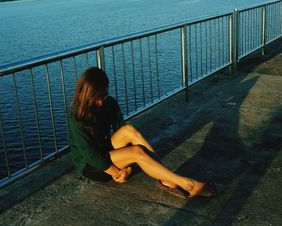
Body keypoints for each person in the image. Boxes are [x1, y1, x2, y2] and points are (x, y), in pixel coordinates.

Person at [68, 67, 217, 198]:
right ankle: (188, 184)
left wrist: (129, 168)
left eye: (104, 94)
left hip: (105, 150)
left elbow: (121, 129)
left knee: (129, 130)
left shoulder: (109, 103)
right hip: (93, 166)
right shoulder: (77, 118)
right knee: (137, 152)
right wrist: (117, 172)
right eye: (98, 97)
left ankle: (166, 178)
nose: (102, 100)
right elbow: (90, 155)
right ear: (87, 95)